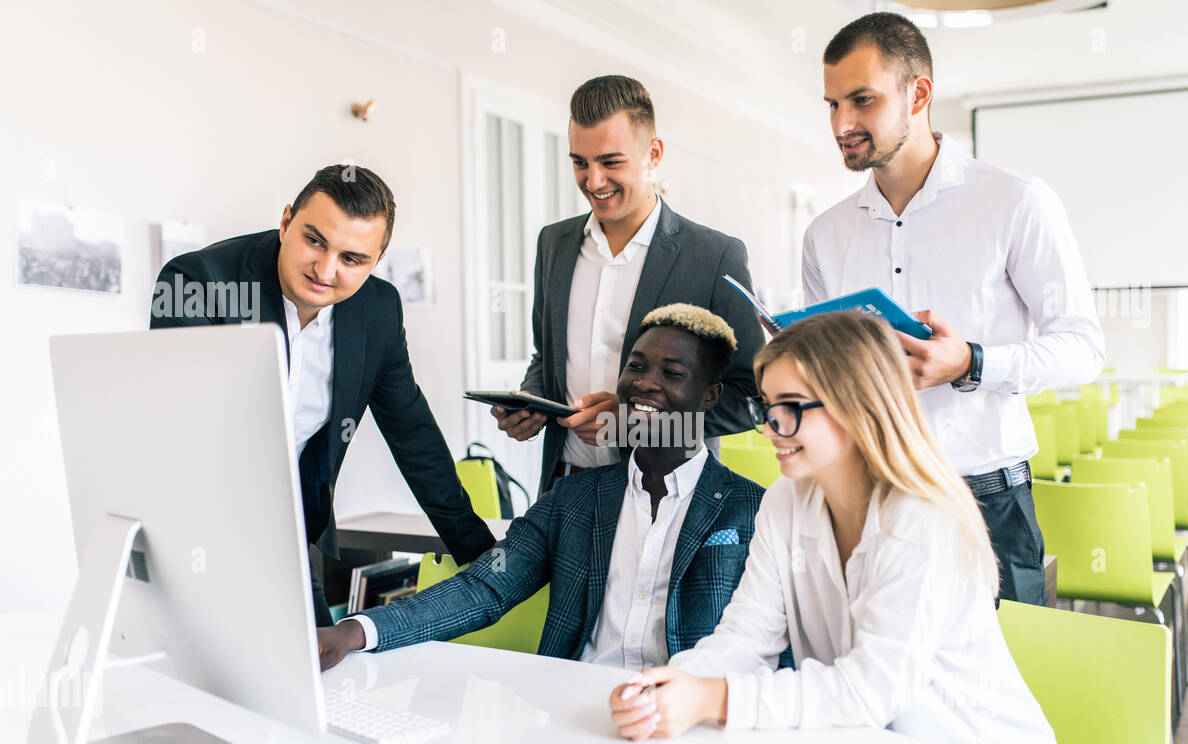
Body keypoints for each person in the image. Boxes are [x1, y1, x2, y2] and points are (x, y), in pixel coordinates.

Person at [607, 311, 1071, 744]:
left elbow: (871, 689)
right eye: (767, 407)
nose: (770, 429)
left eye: (790, 407)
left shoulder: (920, 519)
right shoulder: (784, 503)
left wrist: (713, 699)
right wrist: (668, 685)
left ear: (856, 406)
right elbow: (745, 640)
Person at [801, 13, 1105, 605]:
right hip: (871, 501)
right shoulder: (824, 235)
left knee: (1003, 692)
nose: (842, 124)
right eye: (832, 105)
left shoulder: (1015, 202)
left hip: (988, 505)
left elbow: (1084, 349)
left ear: (919, 93)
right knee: (880, 692)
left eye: (862, 100)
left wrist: (971, 361)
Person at [317, 305, 769, 670]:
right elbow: (483, 587)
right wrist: (354, 631)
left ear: (710, 395)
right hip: (573, 706)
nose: (646, 383)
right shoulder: (572, 501)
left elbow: (768, 645)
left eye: (672, 373)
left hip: (688, 723)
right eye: (636, 366)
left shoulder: (752, 509)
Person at [150, 165, 494, 625]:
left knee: (315, 666)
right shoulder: (200, 282)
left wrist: (483, 555)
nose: (325, 270)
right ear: (287, 220)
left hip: (290, 528)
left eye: (352, 259)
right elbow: (182, 428)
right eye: (314, 240)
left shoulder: (378, 311)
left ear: (377, 260)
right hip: (194, 527)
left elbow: (413, 434)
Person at [490, 75, 764, 496]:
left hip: (669, 494)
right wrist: (530, 401)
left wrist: (640, 426)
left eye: (610, 162)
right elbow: (548, 357)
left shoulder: (715, 256)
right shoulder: (553, 244)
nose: (593, 181)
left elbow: (751, 398)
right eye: (580, 163)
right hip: (564, 486)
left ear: (652, 154)